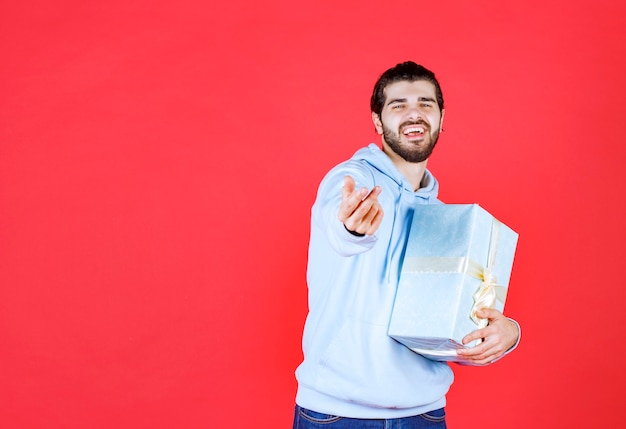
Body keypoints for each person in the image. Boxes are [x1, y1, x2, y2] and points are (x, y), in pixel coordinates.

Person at [292, 61, 520, 428]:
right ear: (378, 121)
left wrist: (505, 335)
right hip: (337, 416)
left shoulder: (447, 222)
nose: (414, 112)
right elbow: (339, 225)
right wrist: (352, 227)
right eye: (398, 105)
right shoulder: (353, 180)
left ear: (442, 118)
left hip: (424, 415)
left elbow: (449, 333)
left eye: (425, 103)